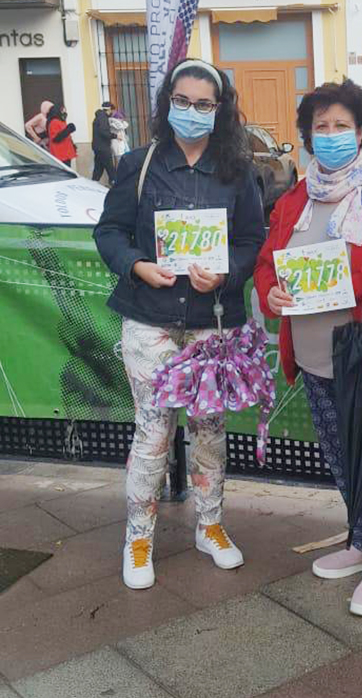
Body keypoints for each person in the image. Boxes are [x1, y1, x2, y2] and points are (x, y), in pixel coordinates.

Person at [254, 80, 362, 618]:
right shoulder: (294, 201)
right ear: (308, 136)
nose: (331, 135)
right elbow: (267, 264)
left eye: (342, 126)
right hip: (313, 356)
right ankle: (360, 540)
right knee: (340, 454)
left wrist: (355, 285)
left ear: (360, 133)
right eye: (321, 127)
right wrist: (271, 292)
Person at [94, 59, 265, 591]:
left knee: (209, 430)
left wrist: (228, 273)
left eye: (204, 104)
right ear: (168, 103)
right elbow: (109, 232)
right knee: (152, 430)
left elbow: (252, 240)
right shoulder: (140, 164)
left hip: (213, 324)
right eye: (183, 101)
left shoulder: (237, 170)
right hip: (152, 320)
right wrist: (136, 265)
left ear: (220, 109)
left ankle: (209, 525)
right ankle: (138, 536)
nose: (192, 111)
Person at [92, 101, 117, 185]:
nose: (112, 113)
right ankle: (114, 184)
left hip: (98, 147)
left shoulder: (99, 117)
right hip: (103, 147)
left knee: (98, 168)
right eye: (112, 111)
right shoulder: (103, 118)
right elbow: (104, 132)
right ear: (109, 110)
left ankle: (93, 183)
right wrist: (115, 136)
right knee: (110, 168)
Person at [46, 103, 77, 167]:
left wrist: (72, 145)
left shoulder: (61, 121)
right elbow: (56, 138)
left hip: (65, 153)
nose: (65, 112)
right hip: (59, 154)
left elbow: (65, 135)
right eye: (62, 111)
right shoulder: (54, 122)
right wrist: (68, 130)